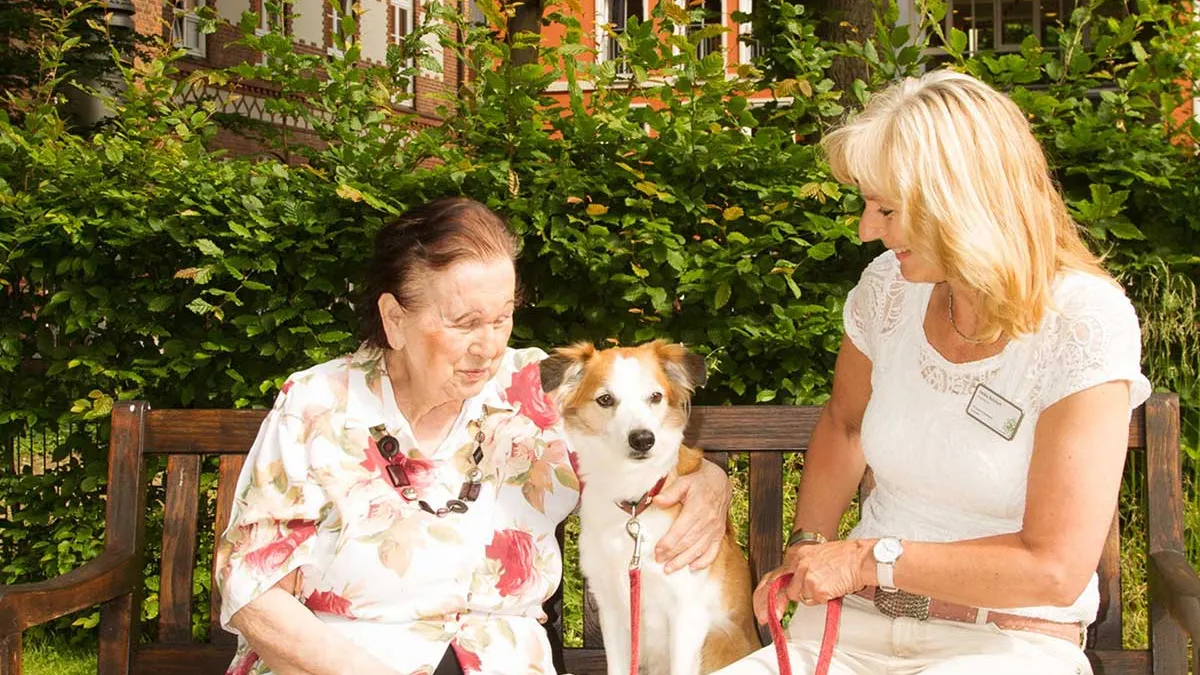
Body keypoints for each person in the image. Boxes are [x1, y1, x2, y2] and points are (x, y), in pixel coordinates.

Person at [715, 70, 1151, 675]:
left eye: (887, 208)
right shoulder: (888, 291)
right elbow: (845, 426)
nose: (867, 230)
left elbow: (1053, 566)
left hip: (1003, 643)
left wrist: (866, 559)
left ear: (962, 203)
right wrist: (809, 548)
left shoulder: (1082, 321)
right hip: (851, 629)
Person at [214, 197, 734, 675]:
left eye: (502, 317)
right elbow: (254, 591)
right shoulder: (317, 404)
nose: (488, 347)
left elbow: (644, 445)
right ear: (395, 318)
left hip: (498, 658)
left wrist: (709, 479)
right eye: (465, 323)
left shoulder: (539, 391)